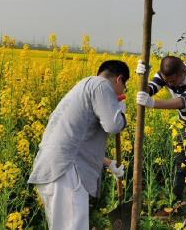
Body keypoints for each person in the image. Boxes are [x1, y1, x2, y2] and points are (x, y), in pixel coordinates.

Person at [28, 60, 129, 230]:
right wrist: (121, 113)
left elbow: (76, 139)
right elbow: (113, 125)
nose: (124, 91)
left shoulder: (82, 86)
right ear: (119, 79)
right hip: (66, 172)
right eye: (125, 85)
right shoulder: (101, 85)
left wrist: (108, 163)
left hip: (54, 168)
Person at [136, 56, 186, 227]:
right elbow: (150, 88)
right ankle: (175, 205)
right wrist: (142, 79)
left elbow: (183, 101)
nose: (171, 84)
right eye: (167, 81)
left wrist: (153, 103)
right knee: (179, 165)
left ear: (183, 72)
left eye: (173, 81)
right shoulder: (167, 75)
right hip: (184, 124)